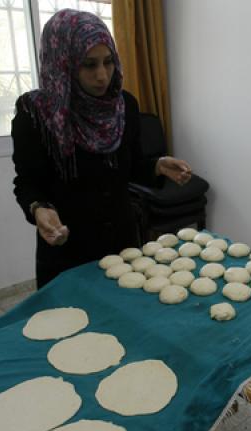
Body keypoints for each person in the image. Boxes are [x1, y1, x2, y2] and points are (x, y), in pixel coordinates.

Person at [12, 9, 192, 289]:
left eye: (108, 62)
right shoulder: (36, 114)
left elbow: (128, 168)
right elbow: (26, 182)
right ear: (64, 64)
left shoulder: (124, 106)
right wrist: (38, 209)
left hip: (122, 244)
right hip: (68, 249)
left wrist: (156, 165)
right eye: (89, 65)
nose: (103, 76)